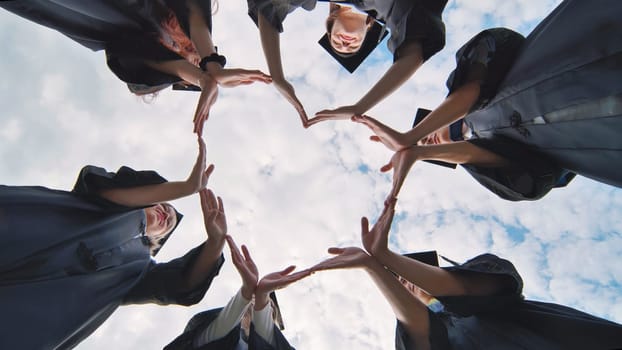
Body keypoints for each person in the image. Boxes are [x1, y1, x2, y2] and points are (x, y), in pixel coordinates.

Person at [353, 0, 621, 201]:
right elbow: (532, 180)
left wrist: (414, 135)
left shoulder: (469, 81)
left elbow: (488, 58)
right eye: (425, 143)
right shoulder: (496, 154)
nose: (426, 140)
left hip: (592, 43)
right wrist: (420, 151)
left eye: (424, 137)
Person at [0, 137, 227, 349]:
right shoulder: (107, 208)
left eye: (168, 223)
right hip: (20, 235)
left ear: (158, 240)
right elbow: (113, 195)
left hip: (27, 314)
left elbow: (181, 284)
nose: (166, 215)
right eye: (163, 206)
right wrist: (183, 188)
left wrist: (215, 244)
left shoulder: (136, 271)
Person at [311, 200, 622, 349]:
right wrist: (374, 267)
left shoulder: (487, 283)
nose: (406, 282)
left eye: (407, 277)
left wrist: (387, 257)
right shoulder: (415, 327)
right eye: (401, 282)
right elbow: (421, 334)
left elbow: (461, 287)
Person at [0, 0, 272, 134]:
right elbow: (194, 14)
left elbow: (144, 61)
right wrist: (211, 63)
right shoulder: (174, 15)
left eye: (191, 64)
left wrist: (202, 76)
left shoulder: (140, 44)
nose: (192, 57)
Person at [246, 0, 448, 127]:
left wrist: (278, 77)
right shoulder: (394, 8)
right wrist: (359, 107)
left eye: (336, 41)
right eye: (351, 47)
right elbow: (414, 51)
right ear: (366, 33)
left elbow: (270, 5)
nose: (344, 44)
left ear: (330, 23)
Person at [165, 235, 309, 349]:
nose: (253, 306)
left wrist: (261, 299)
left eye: (268, 310)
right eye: (250, 304)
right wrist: (247, 292)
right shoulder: (204, 328)